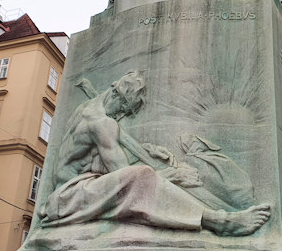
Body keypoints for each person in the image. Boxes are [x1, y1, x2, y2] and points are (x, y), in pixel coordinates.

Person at [39, 71, 270, 236]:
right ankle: (219, 221)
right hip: (71, 197)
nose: (122, 117)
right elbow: (126, 178)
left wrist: (148, 149)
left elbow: (94, 161)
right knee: (139, 178)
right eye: (124, 111)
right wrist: (173, 175)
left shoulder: (88, 110)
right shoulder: (102, 124)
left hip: (75, 190)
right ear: (118, 97)